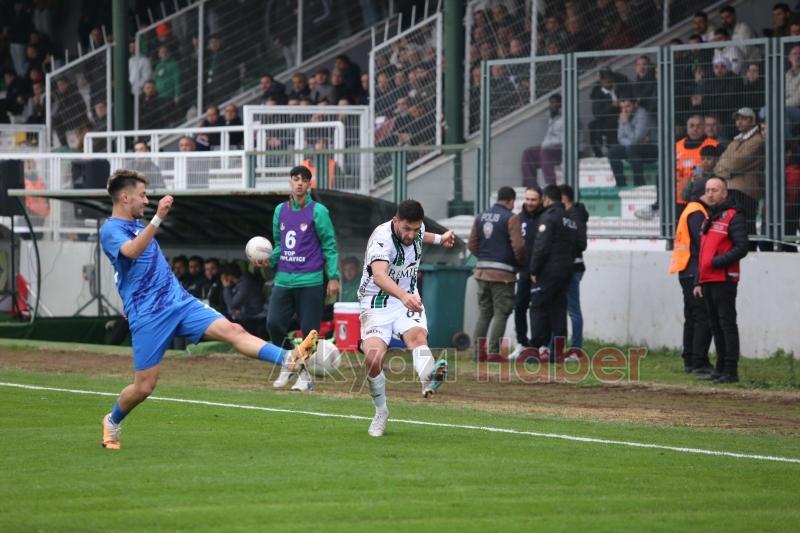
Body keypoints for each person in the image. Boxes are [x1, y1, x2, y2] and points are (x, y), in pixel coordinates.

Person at [98, 169, 318, 450]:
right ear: (125, 196)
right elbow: (130, 252)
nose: (146, 201)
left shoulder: (140, 225)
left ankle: (288, 357)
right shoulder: (111, 230)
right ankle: (112, 421)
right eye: (142, 195)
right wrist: (158, 219)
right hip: (149, 315)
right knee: (144, 387)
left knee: (233, 330)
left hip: (179, 302)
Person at [358, 199, 455, 437]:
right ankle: (381, 412)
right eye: (406, 229)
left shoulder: (416, 229)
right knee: (372, 359)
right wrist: (402, 295)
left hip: (406, 299)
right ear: (395, 221)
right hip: (377, 302)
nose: (411, 235)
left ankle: (428, 378)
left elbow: (424, 235)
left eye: (415, 229)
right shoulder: (381, 238)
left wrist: (441, 239)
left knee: (417, 337)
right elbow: (379, 275)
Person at [255, 165, 340, 392]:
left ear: (309, 184)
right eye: (295, 179)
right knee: (273, 324)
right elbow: (280, 245)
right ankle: (290, 364)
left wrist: (333, 276)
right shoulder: (279, 211)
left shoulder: (318, 211)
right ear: (290, 182)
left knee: (309, 332)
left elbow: (329, 245)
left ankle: (304, 377)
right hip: (283, 279)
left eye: (304, 179)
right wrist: (268, 260)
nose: (299, 183)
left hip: (310, 280)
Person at [693, 177, 749, 383]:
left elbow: (742, 247)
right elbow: (702, 254)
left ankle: (730, 371)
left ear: (725, 193)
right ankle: (719, 368)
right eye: (707, 190)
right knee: (715, 326)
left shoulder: (733, 216)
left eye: (715, 190)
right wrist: (698, 280)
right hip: (708, 279)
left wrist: (718, 262)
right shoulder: (711, 217)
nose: (710, 193)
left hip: (724, 279)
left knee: (726, 325)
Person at [468, 187, 525, 360]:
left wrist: (485, 257)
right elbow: (519, 246)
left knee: (485, 313)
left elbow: (472, 244)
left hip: (482, 273)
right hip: (504, 275)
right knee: (501, 312)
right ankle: (493, 352)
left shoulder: (481, 216)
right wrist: (520, 264)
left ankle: (477, 353)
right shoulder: (511, 218)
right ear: (511, 201)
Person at [528, 185, 578, 361]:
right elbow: (577, 246)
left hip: (548, 271)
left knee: (537, 307)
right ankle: (557, 353)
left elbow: (541, 246)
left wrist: (534, 269)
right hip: (566, 271)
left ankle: (534, 351)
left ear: (547, 199)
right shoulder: (570, 219)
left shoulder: (549, 217)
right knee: (558, 311)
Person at [669, 174, 713, 374]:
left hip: (686, 269)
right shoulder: (697, 212)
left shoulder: (691, 209)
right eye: (708, 191)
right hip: (694, 270)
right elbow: (702, 242)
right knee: (702, 317)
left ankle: (690, 360)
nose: (711, 194)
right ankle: (699, 362)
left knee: (693, 317)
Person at [508, 187, 543, 360]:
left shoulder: (545, 218)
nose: (529, 203)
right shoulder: (518, 218)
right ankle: (521, 343)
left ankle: (540, 345)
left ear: (541, 200)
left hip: (540, 273)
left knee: (539, 310)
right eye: (527, 199)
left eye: (533, 200)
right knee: (520, 307)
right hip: (523, 272)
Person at [560, 184, 588, 352]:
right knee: (567, 308)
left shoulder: (574, 217)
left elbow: (581, 243)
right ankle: (565, 345)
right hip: (571, 266)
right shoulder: (573, 215)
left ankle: (576, 347)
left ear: (564, 199)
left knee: (572, 309)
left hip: (573, 267)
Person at [608, 96, 657, 187]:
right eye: (622, 107)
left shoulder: (642, 114)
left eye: (627, 106)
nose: (625, 110)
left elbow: (635, 139)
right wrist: (631, 143)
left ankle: (639, 184)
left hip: (653, 148)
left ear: (635, 104)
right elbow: (620, 137)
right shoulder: (624, 115)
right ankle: (621, 184)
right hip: (634, 149)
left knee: (632, 148)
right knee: (613, 151)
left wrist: (625, 122)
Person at [520, 94, 563, 187]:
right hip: (549, 148)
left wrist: (547, 146)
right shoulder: (552, 117)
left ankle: (551, 185)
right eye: (551, 103)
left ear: (561, 104)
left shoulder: (566, 117)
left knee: (545, 151)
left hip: (561, 149)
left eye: (556, 102)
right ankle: (531, 186)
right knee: (528, 153)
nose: (553, 105)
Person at [221, 262, 266, 337]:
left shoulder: (246, 282)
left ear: (227, 276)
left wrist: (226, 288)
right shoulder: (240, 283)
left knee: (223, 319)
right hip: (246, 314)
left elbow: (233, 304)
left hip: (254, 317)